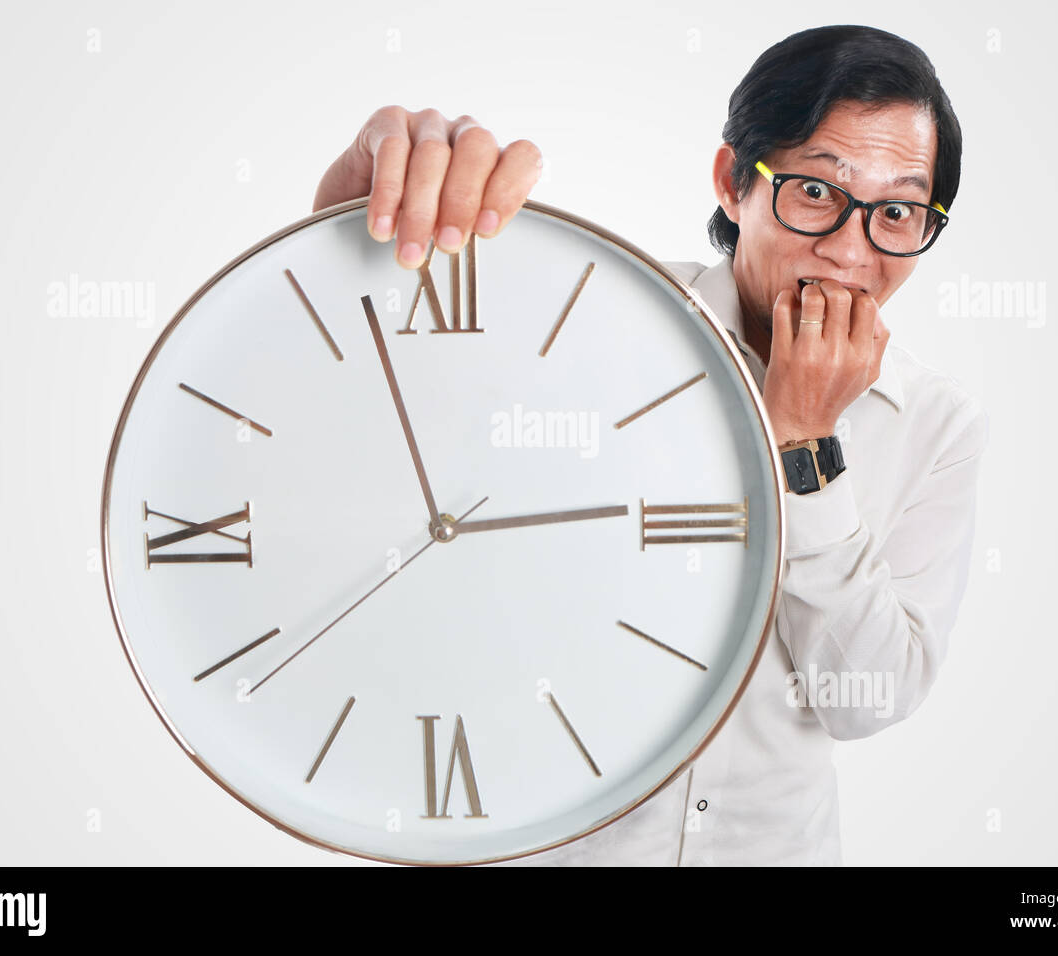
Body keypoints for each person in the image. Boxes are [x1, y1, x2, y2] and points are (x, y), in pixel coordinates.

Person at [312, 24, 990, 865]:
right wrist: (351, 221)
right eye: (816, 191)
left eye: (896, 211)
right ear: (732, 181)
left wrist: (807, 446)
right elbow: (382, 421)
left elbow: (867, 701)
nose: (852, 251)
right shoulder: (589, 318)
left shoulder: (934, 421)